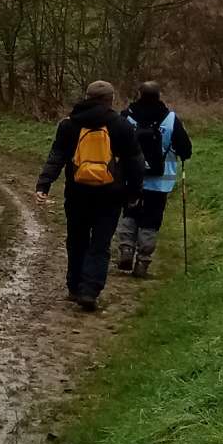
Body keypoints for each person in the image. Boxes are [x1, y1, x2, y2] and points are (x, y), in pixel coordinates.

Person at [36, 80, 147, 313]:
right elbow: (135, 161)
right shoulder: (121, 126)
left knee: (77, 240)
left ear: (86, 97)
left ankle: (75, 286)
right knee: (100, 243)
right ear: (111, 100)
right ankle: (90, 291)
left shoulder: (69, 124)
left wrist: (44, 184)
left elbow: (56, 156)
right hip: (111, 195)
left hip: (77, 193)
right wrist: (134, 192)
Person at [118, 82, 193, 279]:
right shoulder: (170, 119)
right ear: (159, 95)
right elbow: (186, 150)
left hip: (131, 178)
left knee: (130, 213)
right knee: (150, 220)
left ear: (139, 94)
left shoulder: (126, 116)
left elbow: (114, 143)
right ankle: (142, 262)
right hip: (160, 183)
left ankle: (126, 249)